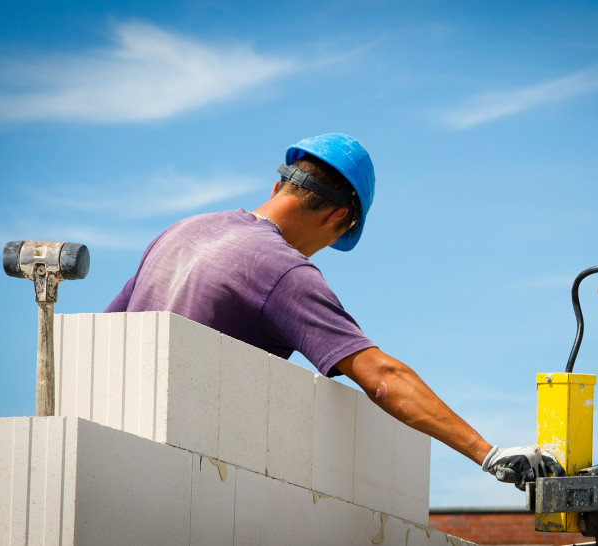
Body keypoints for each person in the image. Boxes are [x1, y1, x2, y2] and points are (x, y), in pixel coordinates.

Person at [105, 132, 563, 490]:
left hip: (118, 442)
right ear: (336, 219)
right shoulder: (284, 270)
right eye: (335, 239)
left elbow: (108, 333)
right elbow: (382, 376)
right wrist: (488, 453)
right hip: (190, 469)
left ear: (278, 185)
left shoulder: (182, 230)